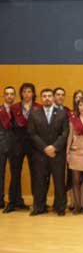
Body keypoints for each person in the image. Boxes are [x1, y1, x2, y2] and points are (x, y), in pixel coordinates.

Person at [27, 88, 69, 216]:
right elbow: (32, 134)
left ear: (53, 98)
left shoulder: (62, 113)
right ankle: (39, 207)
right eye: (44, 96)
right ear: (40, 98)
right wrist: (45, 148)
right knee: (40, 182)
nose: (47, 98)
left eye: (49, 96)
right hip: (40, 154)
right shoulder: (34, 113)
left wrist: (54, 147)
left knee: (59, 182)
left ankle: (60, 207)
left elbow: (65, 133)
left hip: (57, 154)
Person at [9, 83, 41, 212]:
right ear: (21, 93)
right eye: (24, 91)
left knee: (36, 174)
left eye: (29, 91)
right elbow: (9, 127)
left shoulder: (39, 107)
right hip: (18, 144)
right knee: (15, 173)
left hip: (34, 145)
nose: (27, 94)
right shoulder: (14, 107)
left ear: (33, 93)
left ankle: (37, 203)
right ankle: (14, 201)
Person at [0, 87, 17, 211]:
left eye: (12, 94)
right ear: (3, 96)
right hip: (1, 146)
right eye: (7, 94)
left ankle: (15, 199)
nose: (9, 96)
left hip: (15, 147)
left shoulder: (17, 110)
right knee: (0, 174)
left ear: (15, 96)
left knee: (15, 174)